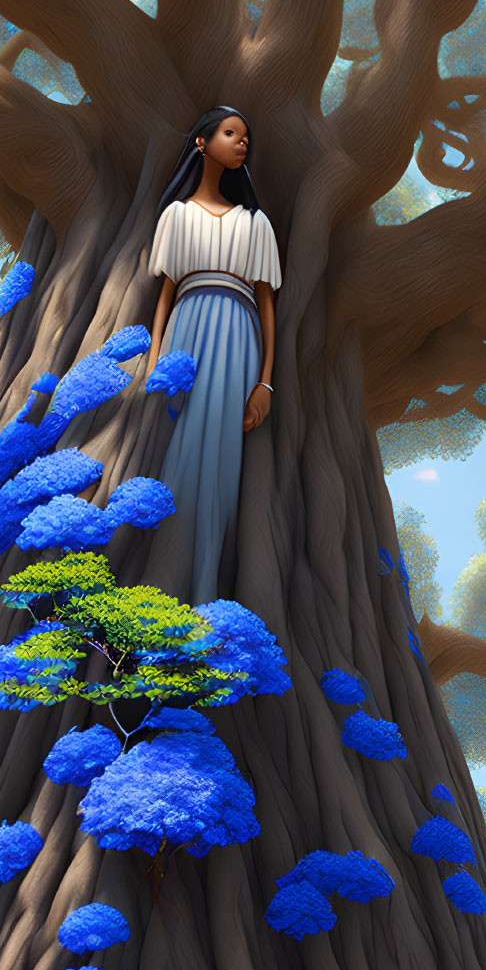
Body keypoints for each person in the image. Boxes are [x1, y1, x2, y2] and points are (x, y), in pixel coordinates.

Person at [144, 106, 282, 605]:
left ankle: (205, 588)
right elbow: (166, 294)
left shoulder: (256, 223)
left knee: (222, 463)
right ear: (202, 143)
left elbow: (267, 304)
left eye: (246, 137)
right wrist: (156, 356)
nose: (242, 144)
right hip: (186, 332)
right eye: (231, 134)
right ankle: (158, 581)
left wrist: (264, 382)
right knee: (174, 448)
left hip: (237, 339)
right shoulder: (176, 215)